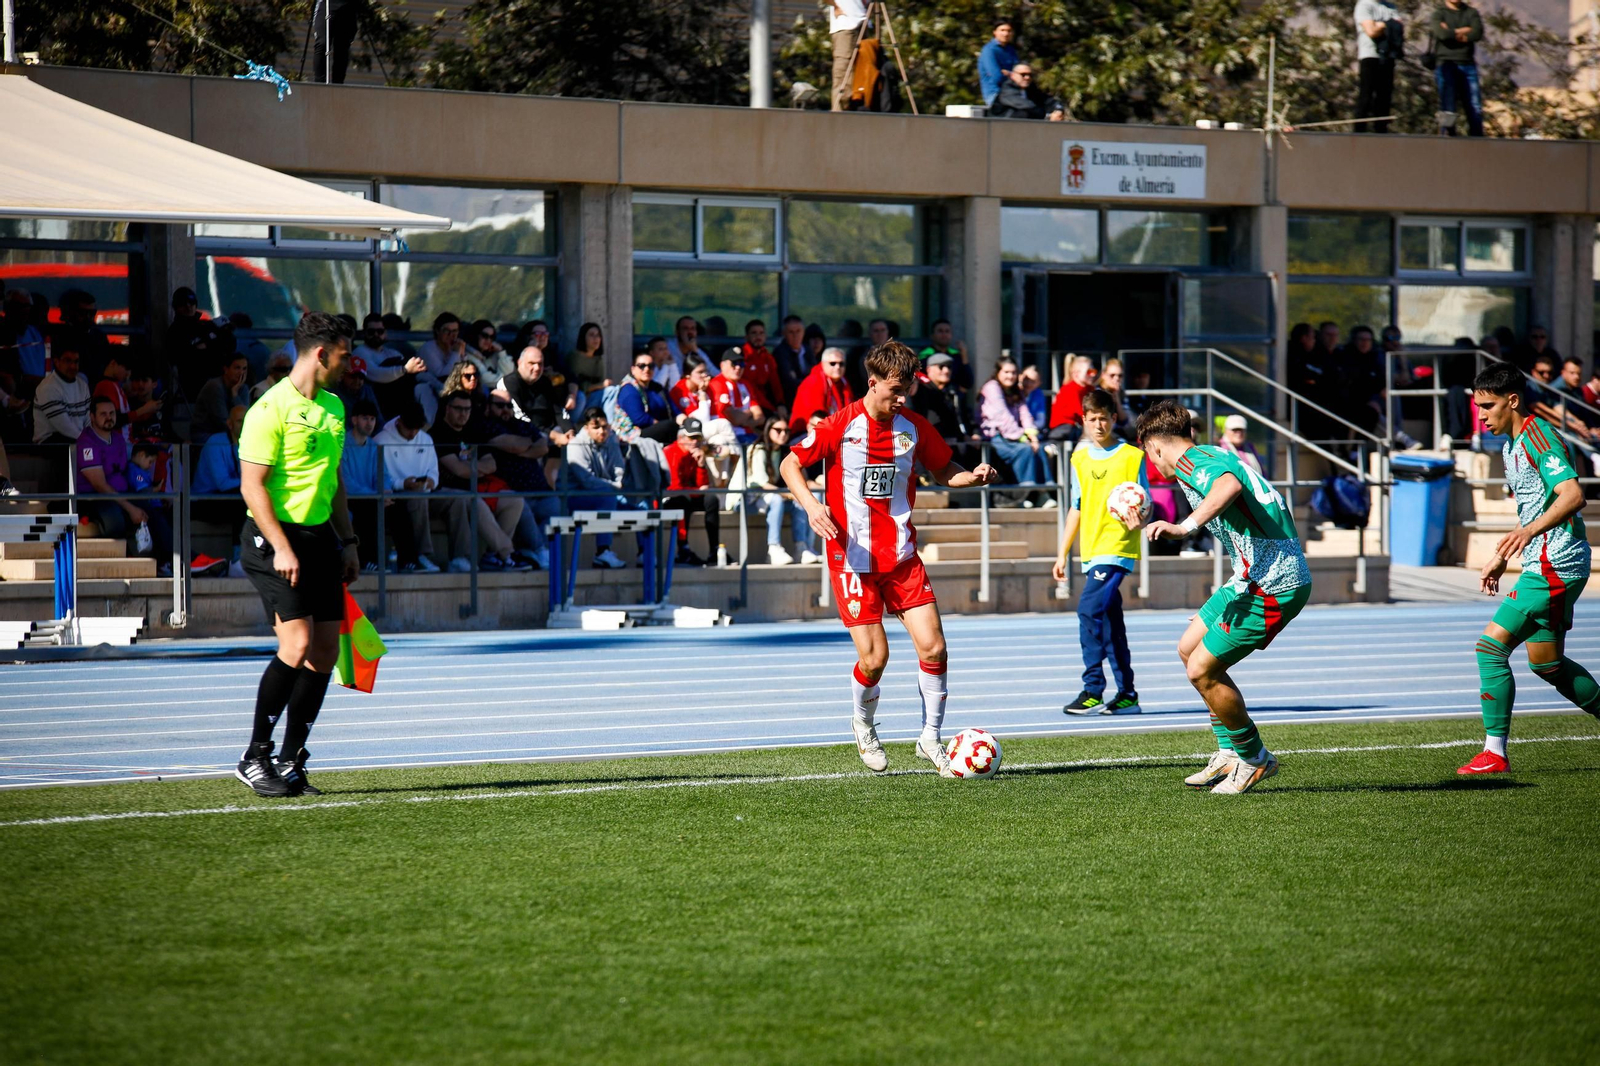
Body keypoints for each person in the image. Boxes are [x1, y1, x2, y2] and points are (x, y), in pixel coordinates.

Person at [781, 341, 1000, 776]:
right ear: (873, 381)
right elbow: (790, 464)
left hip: (900, 556)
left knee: (935, 647)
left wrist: (972, 477)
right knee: (874, 659)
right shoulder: (839, 426)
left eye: (909, 389)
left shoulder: (913, 427)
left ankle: (930, 738)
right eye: (896, 389)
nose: (902, 397)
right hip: (852, 558)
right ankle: (863, 724)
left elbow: (943, 469)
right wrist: (812, 506)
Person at [1137, 399, 1313, 794]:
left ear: (1155, 447)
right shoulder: (1207, 453)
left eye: (1149, 454)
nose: (1153, 463)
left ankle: (1253, 759)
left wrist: (1184, 528)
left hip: (1275, 582)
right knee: (1189, 647)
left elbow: (1229, 485)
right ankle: (1229, 752)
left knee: (1202, 670)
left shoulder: (1190, 463)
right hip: (1248, 577)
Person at [233, 312, 360, 799]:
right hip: (273, 541)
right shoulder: (269, 409)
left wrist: (346, 541)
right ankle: (254, 756)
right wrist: (283, 546)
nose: (351, 364)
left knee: (326, 650)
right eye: (345, 355)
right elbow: (252, 486)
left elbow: (336, 481)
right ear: (322, 354)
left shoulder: (333, 408)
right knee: (298, 642)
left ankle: (290, 760)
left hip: (320, 540)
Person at [1459, 363, 1600, 774]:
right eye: (1477, 406)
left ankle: (1494, 753)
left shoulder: (1539, 437)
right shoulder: (1510, 444)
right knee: (1547, 664)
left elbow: (1573, 496)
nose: (1481, 415)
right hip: (1543, 560)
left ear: (1513, 400)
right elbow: (1535, 506)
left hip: (1557, 564)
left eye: (1487, 406)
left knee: (1489, 649)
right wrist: (1505, 554)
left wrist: (1528, 533)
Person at [1053, 390, 1147, 716]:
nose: (1098, 424)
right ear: (1083, 420)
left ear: (1113, 418)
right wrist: (1062, 553)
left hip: (1117, 548)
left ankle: (1093, 689)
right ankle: (1128, 694)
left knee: (1087, 611)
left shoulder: (1132, 457)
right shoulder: (1078, 459)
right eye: (1092, 419)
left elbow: (1143, 502)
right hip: (1091, 551)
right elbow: (1076, 508)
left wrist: (1141, 518)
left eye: (1103, 418)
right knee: (1110, 623)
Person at [429, 391, 528, 572]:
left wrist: (470, 468)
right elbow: (458, 470)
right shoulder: (438, 433)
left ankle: (493, 556)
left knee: (515, 501)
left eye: (467, 409)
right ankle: (507, 552)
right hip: (446, 491)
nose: (463, 414)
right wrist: (475, 467)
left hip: (475, 488)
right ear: (447, 409)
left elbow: (491, 465)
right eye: (459, 409)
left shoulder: (472, 431)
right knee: (475, 501)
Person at [75, 395, 173, 570]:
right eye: (103, 414)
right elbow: (99, 485)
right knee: (117, 521)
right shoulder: (86, 441)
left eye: (112, 413)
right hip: (95, 498)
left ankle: (170, 561)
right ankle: (138, 561)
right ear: (92, 417)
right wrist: (130, 507)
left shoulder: (118, 439)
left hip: (123, 493)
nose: (109, 417)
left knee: (156, 509)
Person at [564, 406, 632, 570]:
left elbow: (619, 470)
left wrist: (618, 485)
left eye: (605, 427)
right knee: (608, 497)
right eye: (596, 428)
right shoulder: (576, 445)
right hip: (572, 498)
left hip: (603, 495)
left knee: (641, 507)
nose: (602, 431)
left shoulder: (611, 441)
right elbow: (587, 481)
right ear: (586, 428)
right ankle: (603, 551)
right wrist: (616, 486)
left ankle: (645, 553)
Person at [746, 417, 817, 565]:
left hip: (767, 500)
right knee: (777, 499)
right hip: (747, 499)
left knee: (800, 503)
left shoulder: (785, 451)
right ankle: (774, 549)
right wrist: (790, 495)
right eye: (778, 430)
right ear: (768, 430)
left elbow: (800, 478)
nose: (783, 434)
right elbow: (762, 484)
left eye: (786, 431)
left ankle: (801, 548)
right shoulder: (758, 449)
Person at [191, 404, 248, 572]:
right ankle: (238, 560)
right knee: (243, 499)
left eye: (247, 420)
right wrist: (253, 482)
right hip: (204, 501)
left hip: (229, 498)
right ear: (229, 424)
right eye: (239, 421)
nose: (244, 425)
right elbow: (222, 484)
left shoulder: (251, 443)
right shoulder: (216, 442)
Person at [979, 358, 1050, 490]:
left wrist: (1032, 434)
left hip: (1012, 436)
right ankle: (1024, 492)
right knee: (1024, 450)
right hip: (994, 437)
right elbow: (1003, 417)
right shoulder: (992, 387)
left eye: (1013, 372)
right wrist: (1023, 438)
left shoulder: (1015, 390)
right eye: (1006, 372)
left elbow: (1025, 414)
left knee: (1039, 448)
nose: (1010, 376)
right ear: (998, 372)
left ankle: (1044, 492)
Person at [663, 418, 721, 566]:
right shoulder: (671, 452)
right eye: (691, 437)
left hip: (686, 495)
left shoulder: (695, 454)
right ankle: (683, 549)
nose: (695, 442)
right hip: (667, 498)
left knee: (711, 500)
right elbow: (673, 488)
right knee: (683, 500)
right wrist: (698, 491)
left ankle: (715, 550)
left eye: (698, 438)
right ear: (681, 437)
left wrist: (701, 466)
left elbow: (703, 486)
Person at [911, 352, 983, 467]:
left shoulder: (953, 392)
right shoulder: (921, 389)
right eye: (941, 366)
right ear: (929, 369)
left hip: (956, 450)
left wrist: (974, 434)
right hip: (930, 450)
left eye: (949, 367)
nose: (946, 370)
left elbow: (965, 415)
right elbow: (911, 388)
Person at [1433, 0, 1485, 137]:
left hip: (1468, 64)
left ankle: (1477, 138)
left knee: (1475, 106)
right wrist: (1464, 30)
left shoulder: (1471, 13)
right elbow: (1441, 34)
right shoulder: (1439, 14)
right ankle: (1447, 139)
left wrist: (1450, 31)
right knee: (1447, 107)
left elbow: (1477, 33)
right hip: (1446, 63)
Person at [1354, 0, 1402, 133]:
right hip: (1369, 55)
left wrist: (1381, 25)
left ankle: (1381, 131)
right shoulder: (1364, 5)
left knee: (1384, 97)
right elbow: (1371, 32)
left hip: (1388, 56)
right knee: (1366, 95)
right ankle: (1359, 131)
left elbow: (1399, 29)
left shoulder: (1391, 7)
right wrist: (1388, 25)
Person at [616, 345, 677, 444]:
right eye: (641, 366)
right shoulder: (629, 389)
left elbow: (673, 409)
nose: (646, 369)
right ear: (633, 369)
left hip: (657, 429)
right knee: (669, 427)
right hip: (634, 435)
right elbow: (639, 419)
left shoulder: (657, 387)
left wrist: (682, 419)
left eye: (651, 366)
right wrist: (661, 425)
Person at [33, 342, 90, 444]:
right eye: (68, 361)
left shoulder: (82, 385)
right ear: (56, 362)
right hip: (50, 442)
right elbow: (64, 426)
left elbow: (89, 419)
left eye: (76, 362)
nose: (73, 366)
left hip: (77, 439)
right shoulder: (48, 388)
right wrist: (89, 441)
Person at [192, 352, 251, 443]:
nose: (241, 372)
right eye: (237, 368)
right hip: (207, 434)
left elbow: (244, 418)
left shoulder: (243, 388)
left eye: (244, 369)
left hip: (231, 433)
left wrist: (235, 394)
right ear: (226, 369)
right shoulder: (215, 387)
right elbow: (222, 422)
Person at [790, 346, 855, 428]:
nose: (837, 367)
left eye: (841, 364)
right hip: (805, 432)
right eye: (832, 363)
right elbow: (815, 417)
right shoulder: (813, 381)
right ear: (823, 363)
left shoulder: (844, 382)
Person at [711, 349, 764, 444]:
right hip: (728, 437)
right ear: (722, 365)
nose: (738, 367)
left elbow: (760, 417)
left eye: (741, 363)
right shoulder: (718, 383)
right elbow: (734, 418)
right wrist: (749, 413)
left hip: (748, 434)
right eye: (734, 363)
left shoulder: (746, 384)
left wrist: (744, 422)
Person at [735, 319, 784, 415]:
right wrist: (770, 409)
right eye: (754, 333)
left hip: (765, 404)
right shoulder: (741, 357)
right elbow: (749, 387)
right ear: (747, 337)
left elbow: (775, 384)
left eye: (761, 333)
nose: (758, 336)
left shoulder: (768, 358)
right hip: (747, 404)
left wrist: (780, 404)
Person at [989, 63, 1067, 121]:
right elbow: (1027, 106)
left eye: (1030, 75)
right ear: (1013, 75)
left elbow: (1049, 100)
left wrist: (1058, 110)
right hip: (1001, 129)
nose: (1027, 77)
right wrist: (1048, 116)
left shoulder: (1031, 89)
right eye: (1023, 75)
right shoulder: (1006, 90)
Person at [1047, 354, 1098, 442]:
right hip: (1064, 428)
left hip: (1076, 427)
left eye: (1094, 371)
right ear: (1076, 374)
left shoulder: (1089, 389)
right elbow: (1081, 412)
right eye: (1089, 372)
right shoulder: (1070, 389)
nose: (1093, 375)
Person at [829, 0, 868, 111]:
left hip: (863, 22)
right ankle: (839, 114)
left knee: (863, 73)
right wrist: (836, 6)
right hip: (845, 25)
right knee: (844, 74)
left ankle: (857, 109)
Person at [919, 319, 972, 390]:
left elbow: (968, 383)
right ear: (932, 335)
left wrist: (964, 355)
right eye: (940, 331)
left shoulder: (956, 354)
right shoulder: (925, 354)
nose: (944, 334)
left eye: (947, 331)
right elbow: (918, 376)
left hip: (952, 397)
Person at [978, 16, 1018, 108]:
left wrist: (1009, 73)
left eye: (1009, 31)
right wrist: (1013, 75)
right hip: (995, 94)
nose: (1006, 34)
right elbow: (997, 77)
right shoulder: (989, 50)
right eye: (1002, 30)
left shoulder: (1011, 50)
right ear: (995, 32)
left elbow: (1019, 71)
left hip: (1013, 92)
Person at [772, 315, 811, 407]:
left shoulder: (808, 350)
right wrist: (811, 383)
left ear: (803, 332)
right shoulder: (780, 352)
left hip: (808, 399)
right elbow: (788, 381)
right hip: (789, 402)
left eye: (798, 331)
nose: (795, 336)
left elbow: (815, 373)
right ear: (784, 334)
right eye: (791, 332)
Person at [565, 322, 609, 402]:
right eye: (591, 335)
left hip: (594, 396)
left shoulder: (598, 359)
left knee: (612, 390)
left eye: (598, 335)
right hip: (578, 397)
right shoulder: (575, 356)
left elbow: (601, 382)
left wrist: (603, 385)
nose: (596, 338)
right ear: (583, 337)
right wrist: (600, 385)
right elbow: (575, 383)